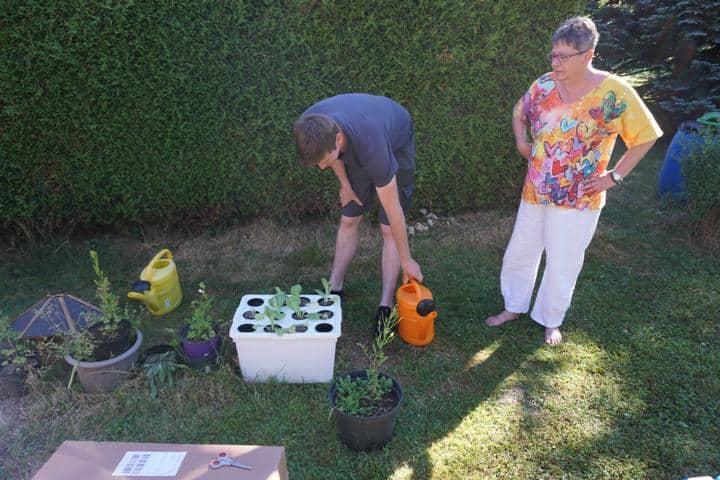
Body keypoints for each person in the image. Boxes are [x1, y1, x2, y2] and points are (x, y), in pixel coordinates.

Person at [486, 16, 663, 345]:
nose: (556, 62)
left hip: (580, 197)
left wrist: (615, 176)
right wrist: (521, 140)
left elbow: (646, 137)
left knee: (563, 260)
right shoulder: (544, 85)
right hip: (535, 189)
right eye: (553, 55)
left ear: (588, 55)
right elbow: (519, 111)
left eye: (564, 56)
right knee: (521, 251)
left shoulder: (614, 93)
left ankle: (550, 319)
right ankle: (513, 306)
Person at [293, 93, 423, 335]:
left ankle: (385, 305)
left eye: (324, 161)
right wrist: (345, 184)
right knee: (349, 218)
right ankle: (334, 289)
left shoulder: (372, 146)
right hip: (357, 137)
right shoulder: (309, 125)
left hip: (395, 138)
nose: (322, 167)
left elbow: (394, 212)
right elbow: (332, 157)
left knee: (387, 228)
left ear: (339, 139)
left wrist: (407, 261)